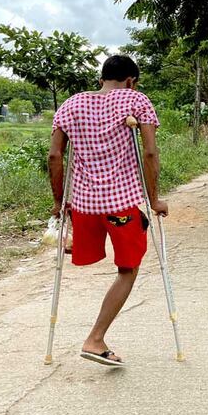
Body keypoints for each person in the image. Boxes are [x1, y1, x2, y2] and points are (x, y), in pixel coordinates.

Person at [48, 55, 168, 367]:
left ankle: (77, 241)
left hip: (84, 207)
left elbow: (54, 156)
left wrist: (59, 201)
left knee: (93, 253)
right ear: (131, 80)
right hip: (121, 206)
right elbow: (151, 151)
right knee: (127, 270)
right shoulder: (136, 99)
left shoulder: (72, 104)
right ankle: (95, 338)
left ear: (101, 79)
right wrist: (154, 200)